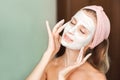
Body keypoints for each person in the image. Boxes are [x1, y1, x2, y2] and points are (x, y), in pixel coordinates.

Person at [26, 5, 110, 80]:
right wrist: (49, 53)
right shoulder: (48, 66)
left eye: (81, 31)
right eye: (72, 23)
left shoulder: (96, 77)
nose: (71, 30)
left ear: (92, 43)